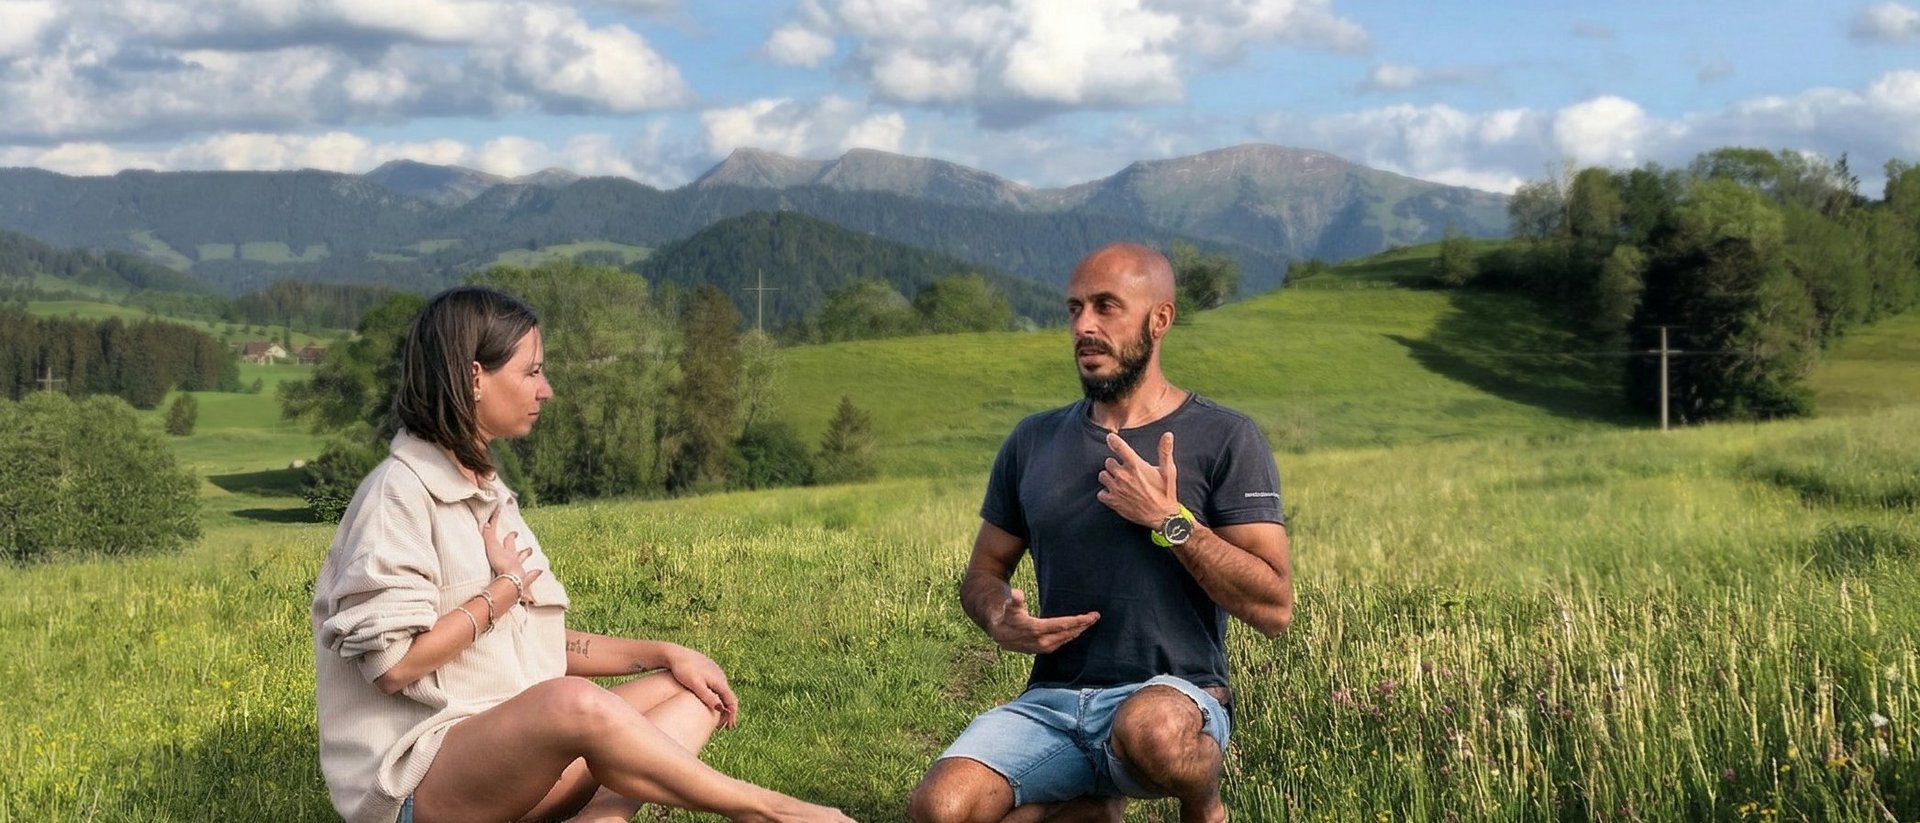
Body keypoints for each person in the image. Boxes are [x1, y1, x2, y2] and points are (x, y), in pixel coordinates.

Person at [311, 286, 854, 823]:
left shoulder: (488, 493)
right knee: (569, 701)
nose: (545, 390)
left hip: (519, 763)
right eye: (531, 371)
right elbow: (394, 665)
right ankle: (768, 810)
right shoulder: (398, 495)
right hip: (422, 788)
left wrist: (664, 652)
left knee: (691, 692)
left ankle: (602, 819)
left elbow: (537, 645)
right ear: (475, 377)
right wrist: (502, 592)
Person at [907, 244, 1293, 823]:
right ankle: (1084, 803)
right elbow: (984, 573)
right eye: (1074, 309)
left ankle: (1204, 805)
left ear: (1159, 319)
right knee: (941, 809)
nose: (1084, 326)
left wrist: (1170, 520)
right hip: (1054, 705)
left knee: (1154, 732)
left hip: (1178, 695)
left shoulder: (1226, 437)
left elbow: (1274, 607)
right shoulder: (1032, 441)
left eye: (1106, 307)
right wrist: (996, 616)